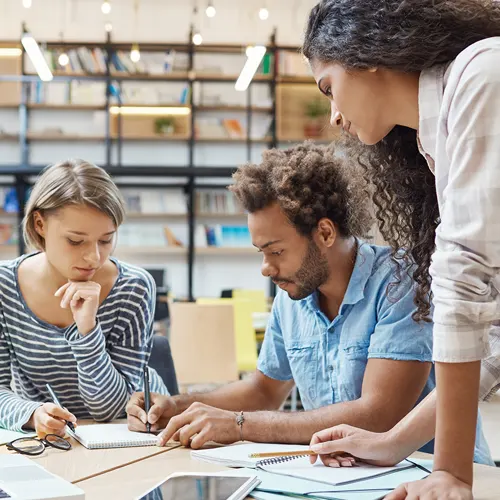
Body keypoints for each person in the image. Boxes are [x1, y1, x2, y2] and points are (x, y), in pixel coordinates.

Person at [126, 143, 492, 465]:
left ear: (326, 233)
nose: (266, 268)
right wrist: (179, 406)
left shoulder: (399, 281)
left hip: (430, 474)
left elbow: (378, 415)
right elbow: (264, 391)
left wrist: (239, 425)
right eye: (261, 252)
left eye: (276, 251)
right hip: (346, 476)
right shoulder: (294, 293)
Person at [301, 0, 500, 497]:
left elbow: (463, 279)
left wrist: (451, 472)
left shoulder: (480, 74)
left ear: (364, 53)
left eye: (330, 88)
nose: (334, 115)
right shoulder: (439, 142)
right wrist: (393, 443)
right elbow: (495, 344)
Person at [0, 159, 169, 437]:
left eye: (105, 240)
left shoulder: (134, 288)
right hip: (52, 440)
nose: (94, 257)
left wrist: (87, 329)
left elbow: (108, 408)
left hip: (131, 436)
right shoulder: (4, 285)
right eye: (75, 241)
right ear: (39, 223)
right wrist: (31, 414)